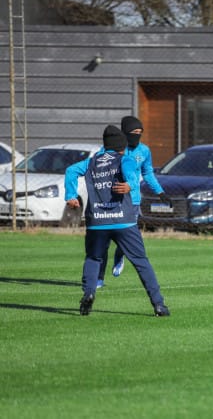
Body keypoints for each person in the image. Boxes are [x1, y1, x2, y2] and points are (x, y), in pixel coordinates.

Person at [65, 125, 170, 316]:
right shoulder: (125, 159)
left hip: (97, 221)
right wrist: (130, 184)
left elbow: (71, 171)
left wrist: (71, 195)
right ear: (122, 146)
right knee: (140, 261)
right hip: (124, 221)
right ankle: (159, 305)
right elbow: (131, 174)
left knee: (93, 258)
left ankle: (89, 294)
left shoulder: (91, 162)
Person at [96, 115, 170, 288]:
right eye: (133, 132)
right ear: (124, 133)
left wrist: (160, 192)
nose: (137, 135)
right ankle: (99, 278)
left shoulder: (144, 151)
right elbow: (97, 168)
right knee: (103, 240)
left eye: (140, 132)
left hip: (132, 201)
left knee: (126, 238)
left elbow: (148, 173)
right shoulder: (110, 149)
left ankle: (120, 255)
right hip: (111, 200)